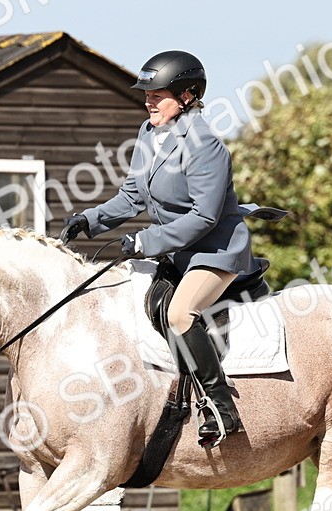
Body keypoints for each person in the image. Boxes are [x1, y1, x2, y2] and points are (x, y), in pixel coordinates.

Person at [60, 50, 267, 448]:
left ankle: (221, 407)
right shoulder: (149, 133)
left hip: (215, 251)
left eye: (157, 95)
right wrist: (90, 219)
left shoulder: (206, 146)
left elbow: (204, 217)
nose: (148, 101)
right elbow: (132, 196)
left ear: (187, 96)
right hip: (176, 252)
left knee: (180, 314)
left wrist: (145, 241)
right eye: (147, 94)